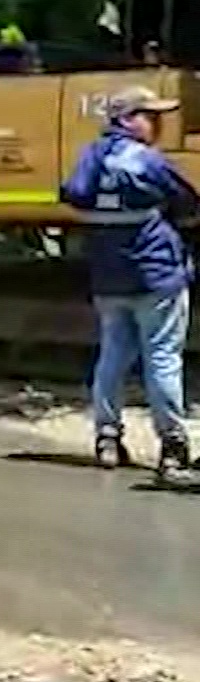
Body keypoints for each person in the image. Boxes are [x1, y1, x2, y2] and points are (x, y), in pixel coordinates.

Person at [60, 86, 200, 478]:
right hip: (155, 277)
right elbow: (188, 200)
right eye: (150, 116)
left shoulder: (91, 157)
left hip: (108, 277)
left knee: (113, 355)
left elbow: (74, 194)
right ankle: (172, 446)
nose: (156, 125)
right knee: (162, 358)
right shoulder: (147, 161)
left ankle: (106, 437)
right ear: (127, 119)